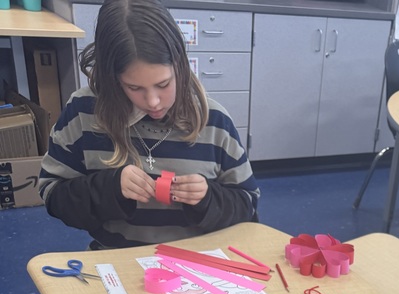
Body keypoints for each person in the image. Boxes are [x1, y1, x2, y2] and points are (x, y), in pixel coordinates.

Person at [39, 0, 259, 247]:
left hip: (196, 266)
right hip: (114, 259)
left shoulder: (214, 120)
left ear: (181, 66)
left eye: (164, 84)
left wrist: (208, 199)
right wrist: (108, 190)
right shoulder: (83, 112)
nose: (153, 102)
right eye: (134, 87)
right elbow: (52, 194)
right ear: (113, 79)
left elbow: (248, 205)